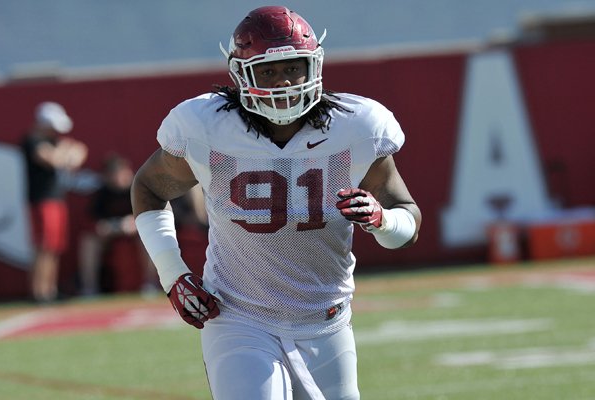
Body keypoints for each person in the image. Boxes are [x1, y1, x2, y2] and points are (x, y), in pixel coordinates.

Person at [131, 6, 421, 399]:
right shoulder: (207, 127)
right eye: (268, 71)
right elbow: (148, 189)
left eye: (292, 67)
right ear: (240, 76)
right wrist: (173, 275)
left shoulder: (357, 127)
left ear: (313, 65)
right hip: (238, 315)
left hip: (326, 320)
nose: (283, 81)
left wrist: (382, 220)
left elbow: (408, 225)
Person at [21, 101, 88, 303]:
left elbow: (77, 156)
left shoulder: (55, 142)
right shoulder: (32, 141)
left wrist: (66, 151)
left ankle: (50, 289)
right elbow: (55, 160)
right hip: (41, 200)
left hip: (56, 200)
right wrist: (66, 151)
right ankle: (39, 291)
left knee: (55, 247)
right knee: (44, 246)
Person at [78, 154, 158, 296]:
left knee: (148, 239)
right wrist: (106, 227)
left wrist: (135, 223)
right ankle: (89, 288)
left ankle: (150, 283)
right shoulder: (103, 193)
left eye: (120, 172)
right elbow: (94, 220)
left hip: (138, 232)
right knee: (89, 242)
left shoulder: (139, 188)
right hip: (111, 234)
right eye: (113, 173)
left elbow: (153, 214)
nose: (118, 177)